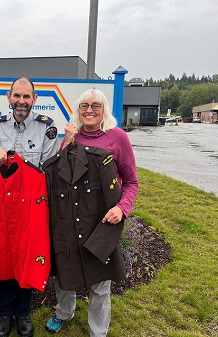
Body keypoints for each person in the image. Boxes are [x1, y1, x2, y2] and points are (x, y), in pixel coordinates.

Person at [43, 88, 139, 337]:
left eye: (96, 106)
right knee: (65, 267)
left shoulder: (117, 138)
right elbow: (57, 173)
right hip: (67, 215)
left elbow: (131, 181)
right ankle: (64, 312)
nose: (89, 110)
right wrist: (67, 142)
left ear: (104, 109)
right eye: (84, 105)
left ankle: (98, 330)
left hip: (101, 217)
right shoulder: (70, 135)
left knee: (99, 277)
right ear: (78, 110)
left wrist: (122, 208)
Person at [0, 77, 58, 337]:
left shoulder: (46, 128)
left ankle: (23, 312)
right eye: (17, 96)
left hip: (31, 205)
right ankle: (4, 313)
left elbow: (50, 168)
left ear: (34, 99)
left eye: (27, 97)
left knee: (27, 254)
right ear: (9, 97)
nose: (22, 101)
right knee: (5, 253)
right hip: (4, 205)